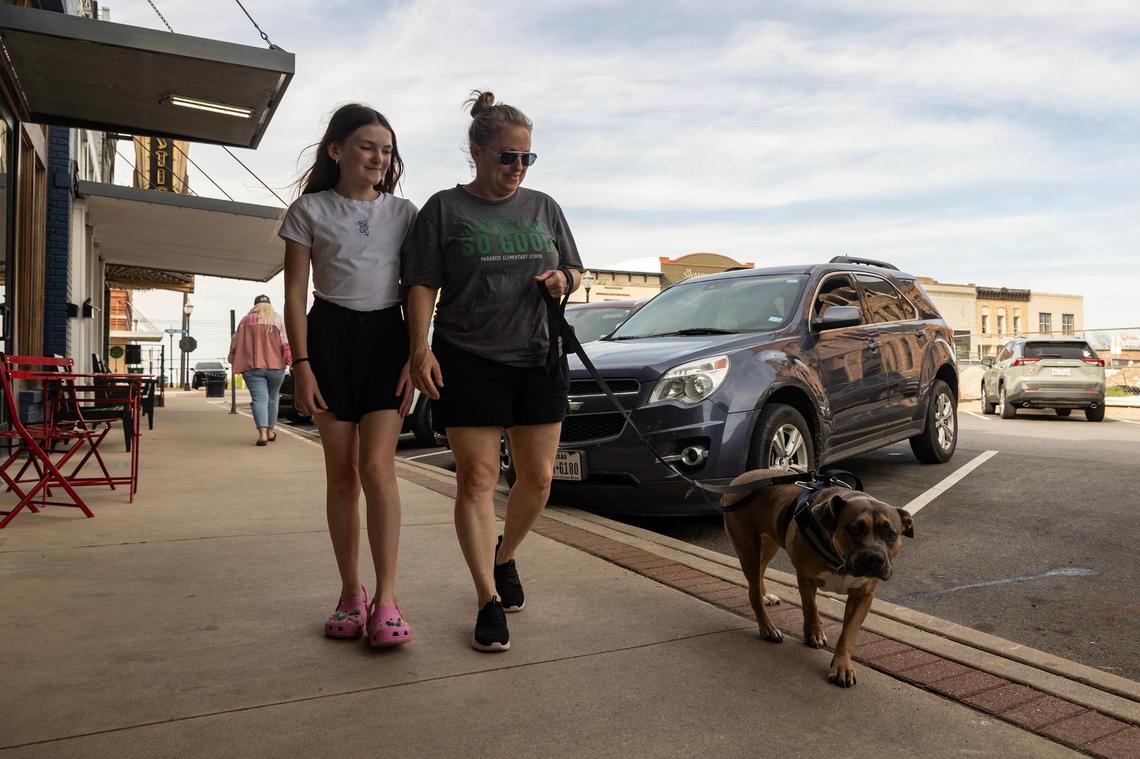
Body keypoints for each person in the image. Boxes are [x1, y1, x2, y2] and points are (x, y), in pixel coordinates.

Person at [403, 90, 583, 652]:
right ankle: (487, 597)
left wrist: (564, 282)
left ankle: (504, 556)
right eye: (508, 156)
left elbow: (575, 267)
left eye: (527, 158)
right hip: (468, 357)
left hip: (538, 357)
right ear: (477, 151)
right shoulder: (444, 209)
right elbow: (422, 285)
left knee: (538, 479)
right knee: (477, 480)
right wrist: (419, 349)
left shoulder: (544, 207)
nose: (518, 168)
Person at [279, 104, 417, 648]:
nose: (379, 158)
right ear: (336, 150)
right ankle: (349, 593)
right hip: (329, 338)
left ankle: (387, 599)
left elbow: (417, 288)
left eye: (386, 149)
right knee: (342, 474)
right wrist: (302, 363)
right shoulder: (308, 210)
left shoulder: (405, 213)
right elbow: (294, 293)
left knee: (378, 469)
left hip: (388, 338)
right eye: (367, 146)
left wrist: (416, 351)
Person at [228, 294, 292, 446]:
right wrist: (289, 360)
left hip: (252, 367)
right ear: (269, 305)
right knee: (273, 397)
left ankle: (262, 434)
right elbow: (286, 342)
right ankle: (270, 431)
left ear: (254, 306)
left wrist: (232, 360)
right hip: (276, 366)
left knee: (259, 400)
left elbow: (234, 343)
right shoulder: (277, 319)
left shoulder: (244, 321)